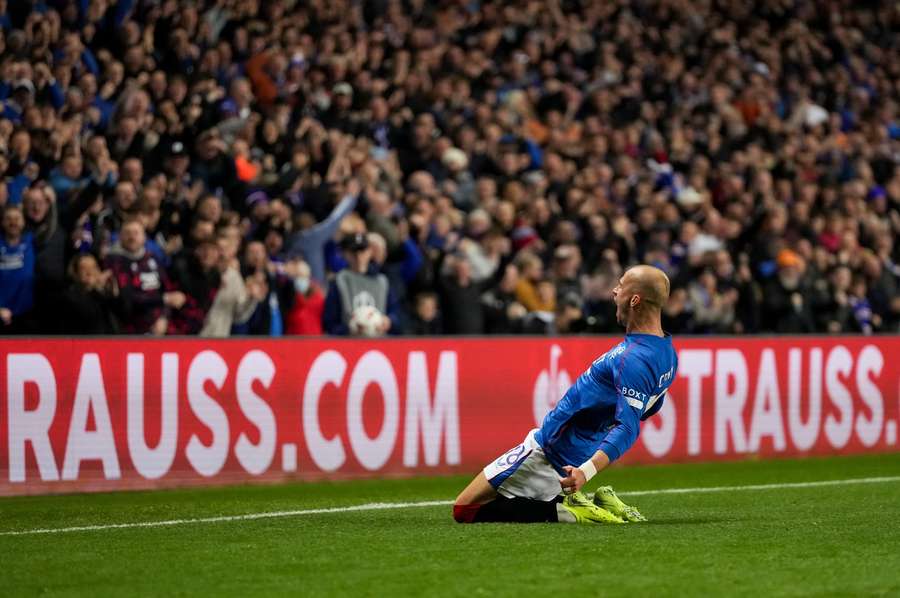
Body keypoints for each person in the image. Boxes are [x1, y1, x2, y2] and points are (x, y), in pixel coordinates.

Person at [453, 265, 678, 524]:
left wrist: (585, 472)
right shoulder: (666, 352)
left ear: (635, 299)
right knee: (514, 500)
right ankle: (599, 501)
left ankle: (567, 511)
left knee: (465, 509)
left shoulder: (633, 359)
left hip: (551, 448)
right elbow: (650, 408)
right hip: (578, 449)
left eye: (621, 285)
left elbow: (628, 428)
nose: (615, 291)